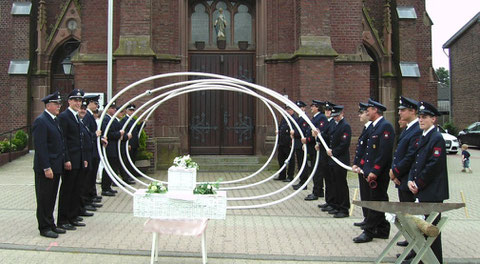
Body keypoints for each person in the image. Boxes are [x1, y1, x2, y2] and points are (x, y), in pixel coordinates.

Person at [407, 101, 449, 264]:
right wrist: (411, 179)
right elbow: (415, 161)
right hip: (422, 188)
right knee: (423, 228)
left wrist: (418, 183)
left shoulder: (436, 138)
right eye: (419, 117)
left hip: (432, 190)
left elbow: (433, 165)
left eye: (424, 117)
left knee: (432, 230)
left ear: (434, 119)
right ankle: (424, 259)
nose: (420, 120)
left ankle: (435, 261)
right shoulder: (422, 137)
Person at [353, 98, 395, 243]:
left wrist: (375, 171)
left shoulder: (385, 126)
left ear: (375, 110)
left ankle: (369, 231)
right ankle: (383, 229)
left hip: (379, 174)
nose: (366, 112)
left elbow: (384, 153)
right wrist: (362, 166)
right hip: (370, 171)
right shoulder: (373, 127)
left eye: (368, 110)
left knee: (376, 201)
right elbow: (368, 152)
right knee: (377, 200)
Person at [389, 96, 423, 248]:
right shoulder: (409, 128)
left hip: (408, 178)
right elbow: (399, 153)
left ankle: (414, 245)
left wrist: (395, 172)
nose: (399, 113)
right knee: (406, 212)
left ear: (413, 111)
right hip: (401, 178)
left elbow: (411, 156)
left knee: (411, 214)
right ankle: (410, 239)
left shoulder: (416, 130)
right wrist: (395, 172)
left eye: (403, 110)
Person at [32, 91, 66, 238]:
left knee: (52, 197)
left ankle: (51, 223)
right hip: (46, 168)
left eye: (59, 104)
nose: (59, 106)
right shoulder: (41, 121)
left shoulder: (54, 120)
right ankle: (44, 227)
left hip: (56, 166)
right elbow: (41, 147)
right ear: (49, 105)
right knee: (44, 198)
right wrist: (46, 167)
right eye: (56, 104)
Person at [57, 89, 89, 231]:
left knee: (76, 189)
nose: (78, 103)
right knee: (67, 190)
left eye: (80, 101)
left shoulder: (76, 116)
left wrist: (84, 159)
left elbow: (80, 140)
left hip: (78, 159)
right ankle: (63, 219)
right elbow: (63, 140)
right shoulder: (65, 116)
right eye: (75, 100)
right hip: (70, 160)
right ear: (69, 101)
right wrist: (66, 159)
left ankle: (73, 216)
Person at [325, 105, 351, 218]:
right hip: (333, 160)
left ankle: (344, 208)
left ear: (342, 114)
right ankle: (337, 205)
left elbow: (344, 144)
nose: (335, 118)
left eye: (337, 116)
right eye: (334, 116)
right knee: (335, 184)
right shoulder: (336, 125)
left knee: (341, 185)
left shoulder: (345, 126)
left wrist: (333, 152)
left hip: (340, 159)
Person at [101, 102, 130, 196]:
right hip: (110, 148)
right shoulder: (105, 119)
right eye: (112, 108)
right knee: (108, 168)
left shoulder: (111, 119)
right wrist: (120, 134)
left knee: (113, 168)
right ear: (107, 109)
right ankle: (105, 188)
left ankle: (108, 186)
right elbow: (108, 134)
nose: (114, 110)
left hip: (114, 148)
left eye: (114, 108)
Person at [351, 102, 372, 228]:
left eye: (361, 112)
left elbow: (369, 152)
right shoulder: (367, 128)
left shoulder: (372, 129)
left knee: (369, 196)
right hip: (362, 168)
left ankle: (371, 221)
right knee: (364, 195)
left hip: (367, 169)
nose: (359, 115)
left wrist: (361, 165)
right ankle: (366, 218)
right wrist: (356, 164)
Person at [303, 100, 328, 200]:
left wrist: (307, 140)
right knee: (315, 169)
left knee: (317, 171)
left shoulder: (321, 117)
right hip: (313, 147)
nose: (311, 108)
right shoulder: (316, 117)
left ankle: (317, 191)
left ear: (317, 107)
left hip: (315, 147)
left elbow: (317, 133)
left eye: (313, 106)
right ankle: (319, 191)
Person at [274, 105, 295, 181]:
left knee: (290, 160)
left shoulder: (294, 119)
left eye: (289, 110)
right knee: (281, 159)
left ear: (292, 110)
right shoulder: (284, 118)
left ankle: (290, 176)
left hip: (288, 143)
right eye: (287, 110)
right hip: (282, 142)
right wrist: (278, 131)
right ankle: (282, 175)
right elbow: (281, 127)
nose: (287, 111)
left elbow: (294, 130)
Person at [292, 100, 310, 190]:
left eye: (299, 107)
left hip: (301, 144)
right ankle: (301, 181)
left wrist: (294, 133)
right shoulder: (298, 118)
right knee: (300, 163)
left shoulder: (304, 118)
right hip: (298, 144)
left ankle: (304, 182)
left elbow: (303, 131)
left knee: (303, 163)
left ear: (303, 108)